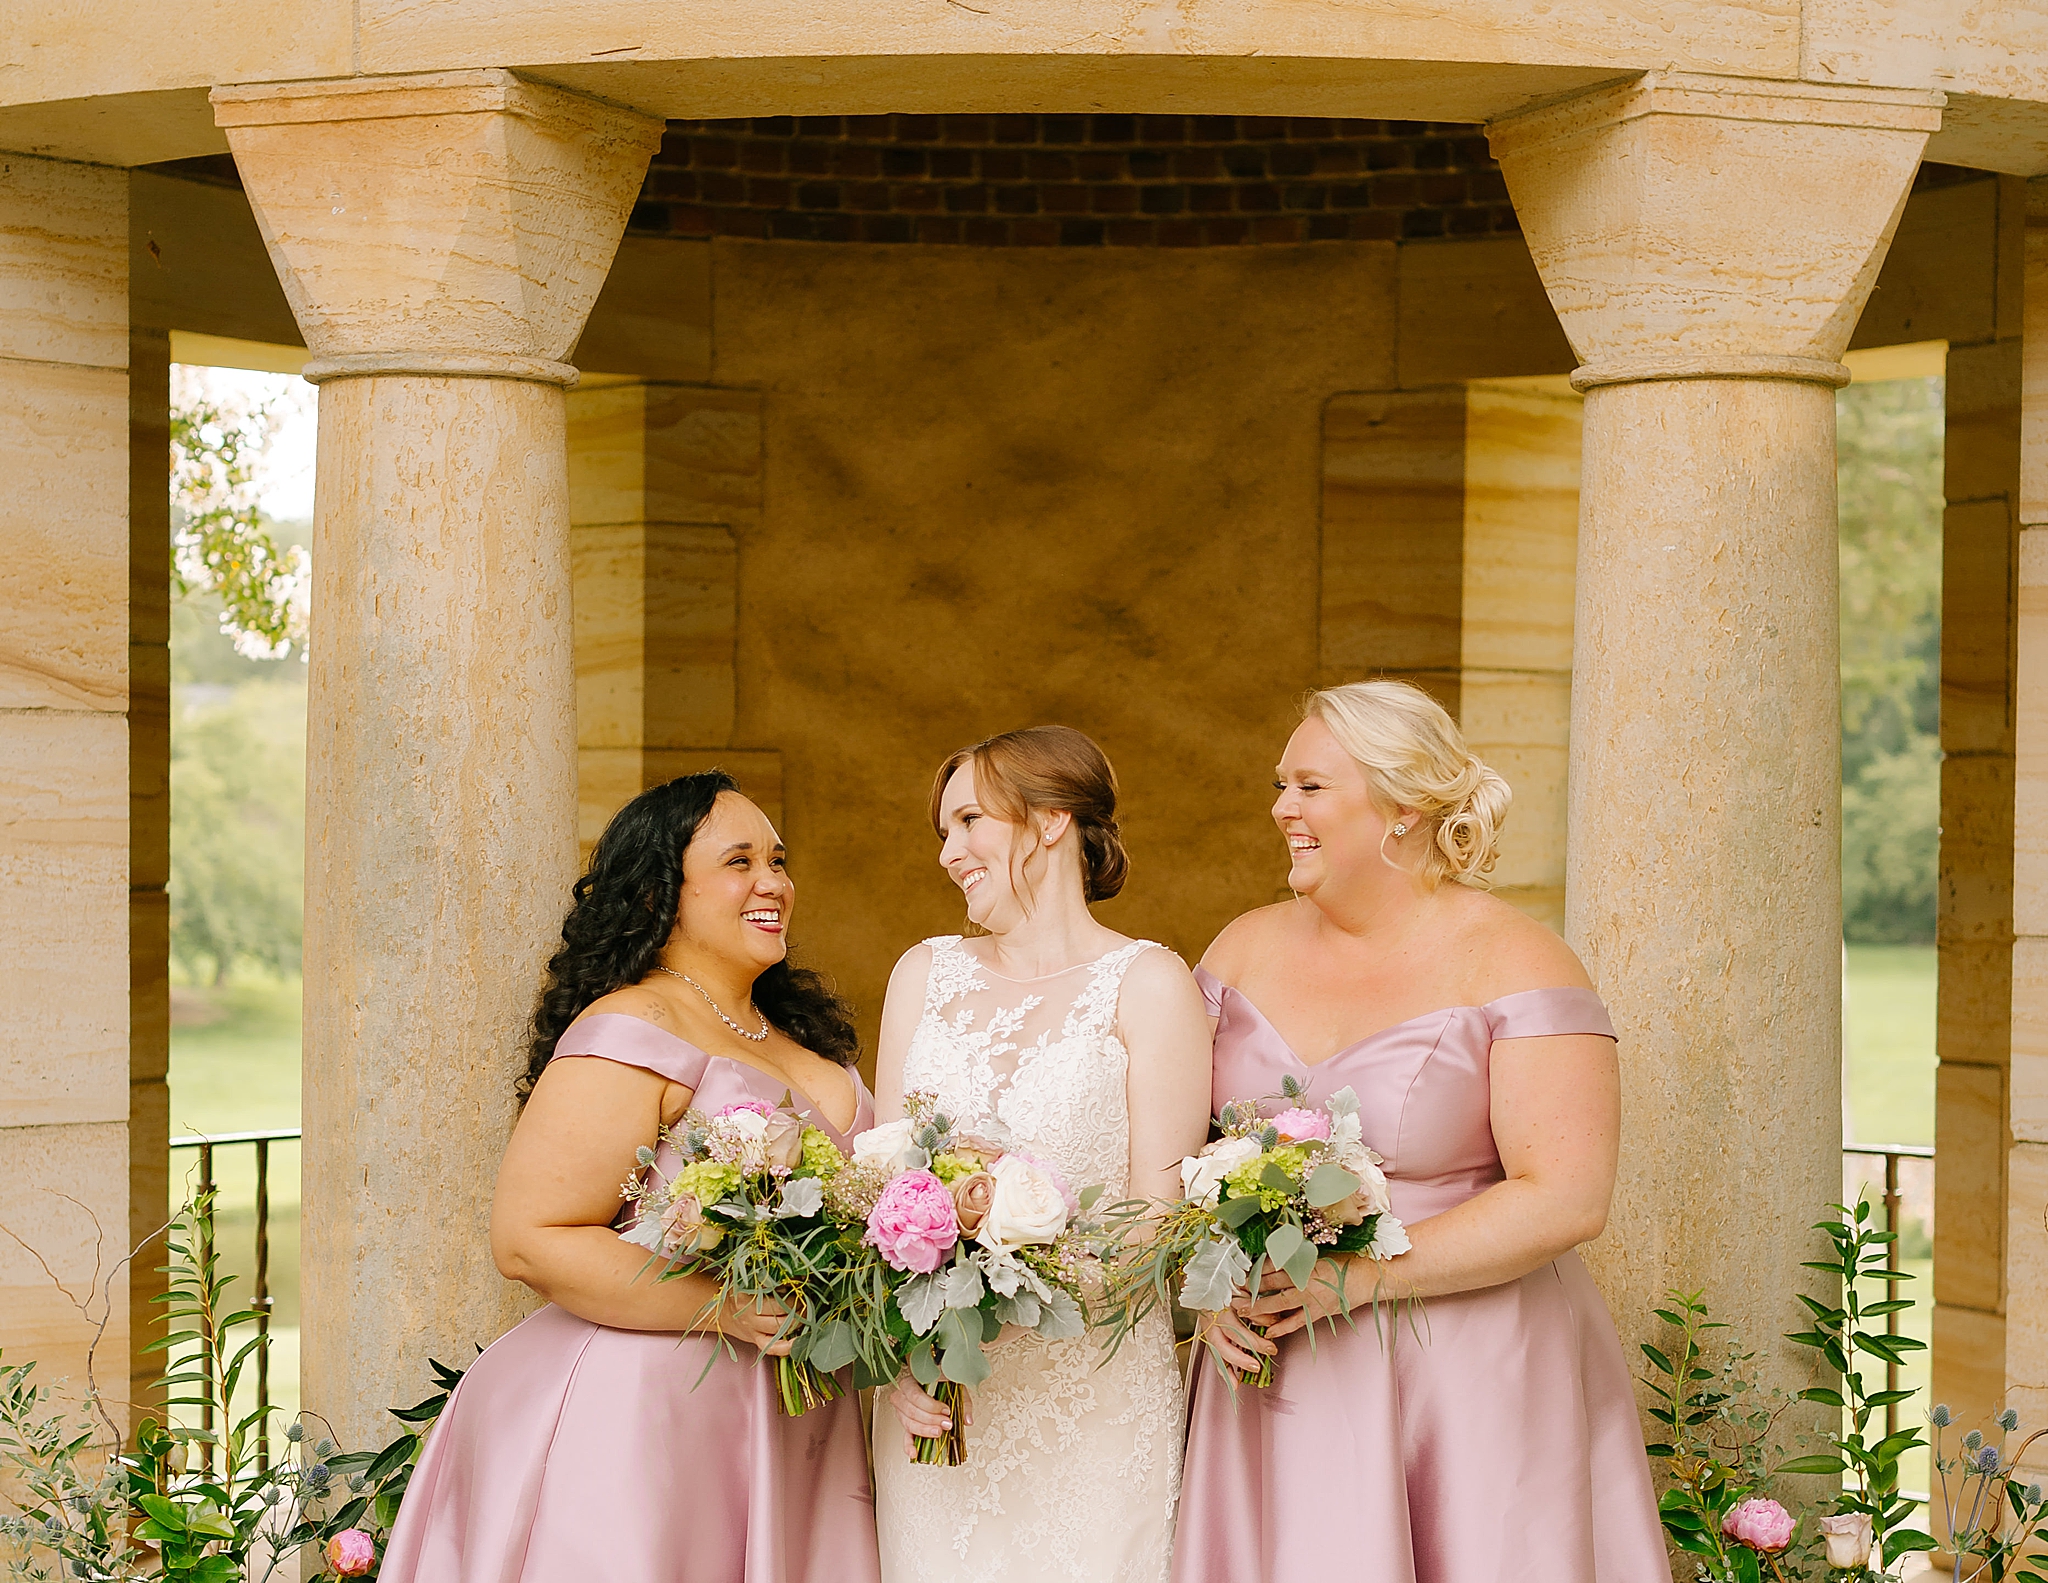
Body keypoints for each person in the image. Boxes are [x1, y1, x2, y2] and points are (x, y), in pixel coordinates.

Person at [1172, 681, 1669, 1583]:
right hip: (1276, 1368)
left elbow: (1569, 1195)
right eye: (1281, 784)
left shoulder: (1517, 959)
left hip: (1462, 1365)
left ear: (1400, 808)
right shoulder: (1240, 948)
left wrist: (1355, 1278)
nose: (1281, 808)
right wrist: (1203, 1288)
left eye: (1311, 787)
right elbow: (1181, 1151)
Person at [380, 772, 881, 1583]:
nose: (773, 883)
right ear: (661, 894)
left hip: (798, 1418)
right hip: (647, 1422)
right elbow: (529, 1239)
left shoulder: (801, 1037)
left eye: (779, 860)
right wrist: (727, 1309)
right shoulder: (633, 1027)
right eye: (739, 861)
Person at [872, 726, 1213, 1583]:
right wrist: (899, 1362)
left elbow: (1160, 1220)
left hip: (1089, 1406)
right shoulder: (923, 972)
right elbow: (882, 1188)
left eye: (970, 822)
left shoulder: (1150, 983)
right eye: (942, 832)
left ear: (1051, 819)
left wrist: (1015, 1248)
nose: (950, 853)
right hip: (941, 1404)